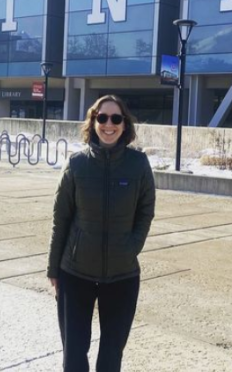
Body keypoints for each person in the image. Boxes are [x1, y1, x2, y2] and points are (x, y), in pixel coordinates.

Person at [47, 94, 156, 372]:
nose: (110, 124)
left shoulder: (138, 164)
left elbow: (145, 212)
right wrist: (53, 269)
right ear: (93, 122)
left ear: (124, 124)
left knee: (111, 355)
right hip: (75, 274)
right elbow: (61, 219)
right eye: (103, 118)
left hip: (122, 276)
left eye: (116, 118)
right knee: (73, 354)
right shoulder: (76, 164)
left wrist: (131, 247)